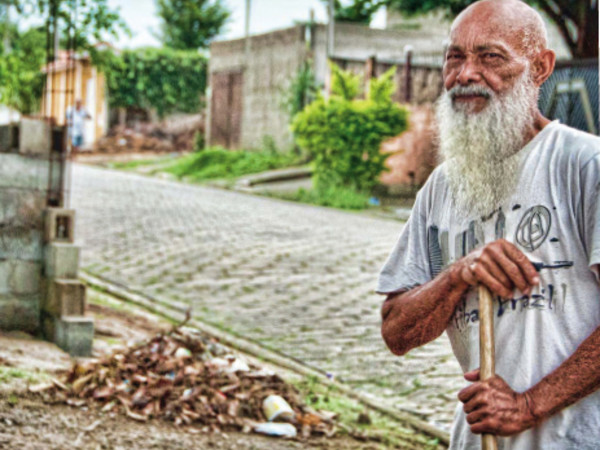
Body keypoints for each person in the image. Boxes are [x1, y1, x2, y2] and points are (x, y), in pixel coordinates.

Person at [377, 0, 600, 448]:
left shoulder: (585, 165)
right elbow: (397, 331)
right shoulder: (442, 186)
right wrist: (458, 274)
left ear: (540, 68)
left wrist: (528, 405)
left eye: (490, 57)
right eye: (454, 57)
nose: (465, 75)